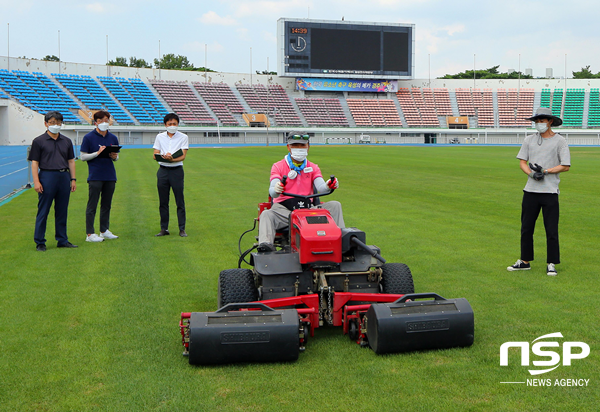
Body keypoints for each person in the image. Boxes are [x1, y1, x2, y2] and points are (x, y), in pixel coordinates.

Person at [507, 107, 571, 276]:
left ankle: (551, 263)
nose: (538, 124)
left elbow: (565, 166)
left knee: (551, 229)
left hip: (550, 192)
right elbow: (522, 162)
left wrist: (545, 171)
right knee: (526, 228)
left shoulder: (560, 141)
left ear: (550, 121)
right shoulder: (529, 140)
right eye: (536, 121)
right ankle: (525, 261)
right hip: (530, 191)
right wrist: (531, 174)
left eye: (541, 121)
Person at [257, 131, 344, 252]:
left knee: (335, 205)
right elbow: (273, 191)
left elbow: (321, 186)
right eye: (295, 145)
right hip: (284, 212)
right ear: (288, 147)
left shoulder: (313, 167)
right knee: (266, 214)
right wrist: (276, 188)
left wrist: (329, 185)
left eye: (302, 145)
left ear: (308, 147)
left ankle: (342, 242)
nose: (299, 148)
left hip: (308, 211)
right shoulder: (278, 166)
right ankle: (265, 245)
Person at [28, 111, 77, 251]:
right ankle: (40, 242)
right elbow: (35, 163)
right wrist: (36, 182)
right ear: (46, 124)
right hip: (47, 177)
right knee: (43, 211)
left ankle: (62, 239)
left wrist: (73, 179)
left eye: (58, 122)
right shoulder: (38, 141)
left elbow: (71, 161)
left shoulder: (66, 141)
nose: (55, 125)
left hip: (63, 177)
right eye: (52, 123)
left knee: (62, 210)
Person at [80, 110, 120, 243]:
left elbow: (116, 157)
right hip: (95, 175)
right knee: (92, 205)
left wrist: (115, 156)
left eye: (106, 120)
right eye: (101, 120)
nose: (104, 123)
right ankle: (90, 234)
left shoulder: (113, 137)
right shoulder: (88, 137)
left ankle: (104, 230)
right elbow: (83, 157)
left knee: (106, 205)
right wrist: (97, 153)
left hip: (109, 175)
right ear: (96, 122)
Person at [153, 113, 189, 237]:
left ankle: (182, 229)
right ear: (165, 125)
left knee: (179, 200)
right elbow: (155, 154)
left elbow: (183, 156)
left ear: (178, 124)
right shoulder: (159, 137)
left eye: (174, 124)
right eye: (170, 124)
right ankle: (164, 228)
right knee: (163, 201)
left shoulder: (183, 137)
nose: (172, 126)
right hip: (163, 170)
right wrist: (164, 157)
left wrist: (171, 159)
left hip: (176, 171)